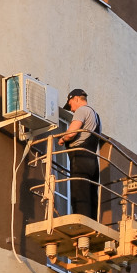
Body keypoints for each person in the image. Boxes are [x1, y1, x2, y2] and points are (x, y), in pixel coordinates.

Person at [57, 88, 102, 219]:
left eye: (70, 105)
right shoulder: (96, 116)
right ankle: (92, 226)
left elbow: (71, 133)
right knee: (91, 196)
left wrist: (62, 138)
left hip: (80, 159)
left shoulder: (82, 111)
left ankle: (81, 226)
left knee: (80, 195)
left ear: (76, 99)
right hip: (93, 161)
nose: (71, 109)